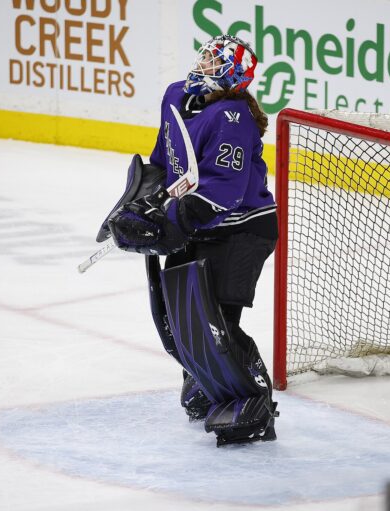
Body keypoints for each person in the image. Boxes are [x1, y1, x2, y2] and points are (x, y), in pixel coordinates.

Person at [106, 35, 278, 446]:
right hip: (199, 226)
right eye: (204, 56)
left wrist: (173, 220)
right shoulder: (175, 97)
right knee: (178, 321)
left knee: (214, 321)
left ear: (232, 75)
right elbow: (164, 162)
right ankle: (205, 381)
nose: (202, 64)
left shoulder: (233, 118)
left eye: (213, 61)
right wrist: (142, 205)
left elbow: (225, 189)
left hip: (241, 229)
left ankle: (252, 399)